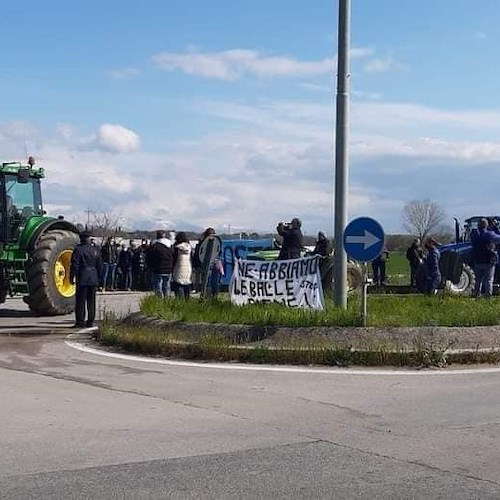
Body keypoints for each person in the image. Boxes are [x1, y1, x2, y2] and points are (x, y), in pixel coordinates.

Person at [70, 231, 102, 328]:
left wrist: (71, 277)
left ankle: (80, 321)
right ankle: (90, 321)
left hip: (82, 277)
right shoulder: (95, 250)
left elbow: (74, 265)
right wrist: (98, 278)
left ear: (81, 239)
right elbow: (100, 265)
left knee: (80, 301)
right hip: (93, 277)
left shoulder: (78, 250)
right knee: (91, 301)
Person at [471, 218, 500, 297]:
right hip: (488, 261)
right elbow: (498, 238)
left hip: (477, 261)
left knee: (478, 280)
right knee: (488, 281)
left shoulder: (474, 235)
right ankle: (488, 296)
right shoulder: (489, 234)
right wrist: (494, 227)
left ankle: (477, 295)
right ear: (486, 225)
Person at [146, 230, 173, 298]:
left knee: (158, 286)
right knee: (167, 286)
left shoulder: (155, 246)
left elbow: (149, 257)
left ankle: (159, 300)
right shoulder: (170, 245)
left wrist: (151, 267)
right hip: (169, 269)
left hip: (158, 269)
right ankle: (167, 299)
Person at [172, 232, 193, 299]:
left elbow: (174, 259)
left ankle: (180, 301)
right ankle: (187, 300)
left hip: (178, 268)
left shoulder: (176, 247)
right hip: (188, 268)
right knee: (187, 283)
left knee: (178, 284)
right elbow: (191, 258)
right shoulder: (189, 247)